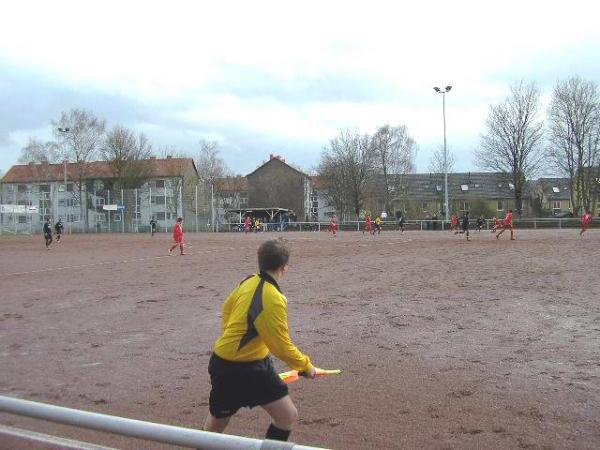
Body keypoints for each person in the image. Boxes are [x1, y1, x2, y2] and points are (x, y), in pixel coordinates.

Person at [204, 238, 317, 442]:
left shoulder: (248, 280)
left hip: (224, 362)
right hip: (246, 370)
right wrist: (306, 366)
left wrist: (231, 338)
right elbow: (281, 346)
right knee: (287, 417)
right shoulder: (273, 298)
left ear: (260, 262)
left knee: (215, 425)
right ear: (284, 268)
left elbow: (226, 308)